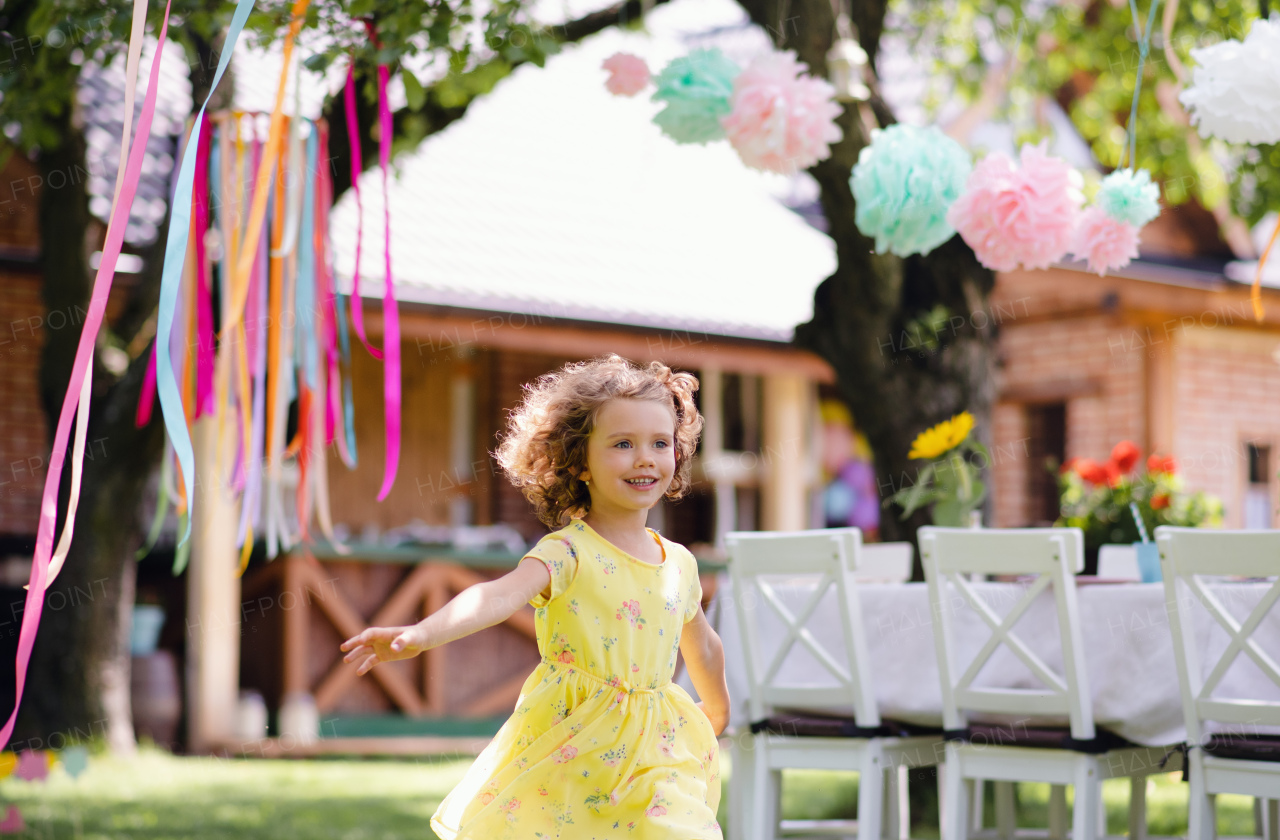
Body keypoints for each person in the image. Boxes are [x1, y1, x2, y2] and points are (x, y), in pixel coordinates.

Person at [340, 354, 729, 839]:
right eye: (622, 444)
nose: (645, 457)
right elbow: (495, 597)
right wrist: (421, 634)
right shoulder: (569, 552)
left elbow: (705, 646)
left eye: (659, 442)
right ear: (579, 462)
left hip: (658, 745)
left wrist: (715, 712)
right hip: (578, 742)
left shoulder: (679, 563)